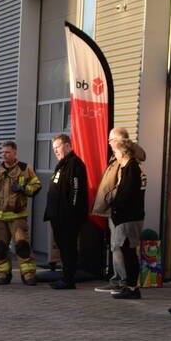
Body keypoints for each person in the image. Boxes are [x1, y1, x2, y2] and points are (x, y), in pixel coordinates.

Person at [92, 127, 147, 292]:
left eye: (111, 139)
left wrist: (112, 201)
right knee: (118, 247)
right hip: (118, 212)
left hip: (124, 215)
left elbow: (125, 191)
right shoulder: (122, 162)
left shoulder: (131, 165)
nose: (109, 143)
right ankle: (120, 281)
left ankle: (125, 283)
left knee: (124, 249)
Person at [0, 141, 41, 285]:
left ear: (15, 153)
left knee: (22, 246)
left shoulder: (25, 168)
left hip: (17, 216)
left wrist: (24, 189)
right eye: (2, 152)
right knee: (1, 247)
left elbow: (37, 185)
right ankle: (3, 275)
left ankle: (28, 275)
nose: (4, 155)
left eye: (7, 152)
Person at [43, 133, 88, 289]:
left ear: (68, 146)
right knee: (63, 248)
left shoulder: (75, 164)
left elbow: (76, 191)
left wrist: (71, 213)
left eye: (58, 147)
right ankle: (65, 276)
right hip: (57, 216)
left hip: (68, 217)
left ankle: (69, 280)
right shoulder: (62, 164)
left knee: (69, 248)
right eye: (53, 148)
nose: (55, 151)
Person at [108, 138, 145, 299]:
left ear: (123, 153)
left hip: (129, 218)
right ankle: (130, 285)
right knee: (126, 250)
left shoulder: (132, 168)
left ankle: (132, 287)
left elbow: (127, 194)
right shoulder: (127, 168)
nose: (114, 155)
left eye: (115, 151)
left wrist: (115, 206)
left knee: (129, 252)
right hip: (126, 217)